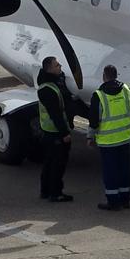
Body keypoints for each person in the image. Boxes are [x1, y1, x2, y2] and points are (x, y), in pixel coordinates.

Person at [90, 65, 130, 211]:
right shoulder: (127, 90)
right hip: (124, 138)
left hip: (107, 141)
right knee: (124, 170)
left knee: (110, 172)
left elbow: (93, 120)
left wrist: (90, 137)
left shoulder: (99, 95)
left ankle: (113, 201)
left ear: (104, 76)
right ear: (116, 75)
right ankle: (125, 199)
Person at [35, 56, 80, 203]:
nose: (60, 67)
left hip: (49, 132)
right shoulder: (49, 90)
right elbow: (56, 114)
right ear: (49, 69)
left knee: (49, 162)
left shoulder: (48, 85)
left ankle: (46, 191)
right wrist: (65, 133)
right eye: (56, 65)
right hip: (54, 133)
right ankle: (55, 193)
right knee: (57, 164)